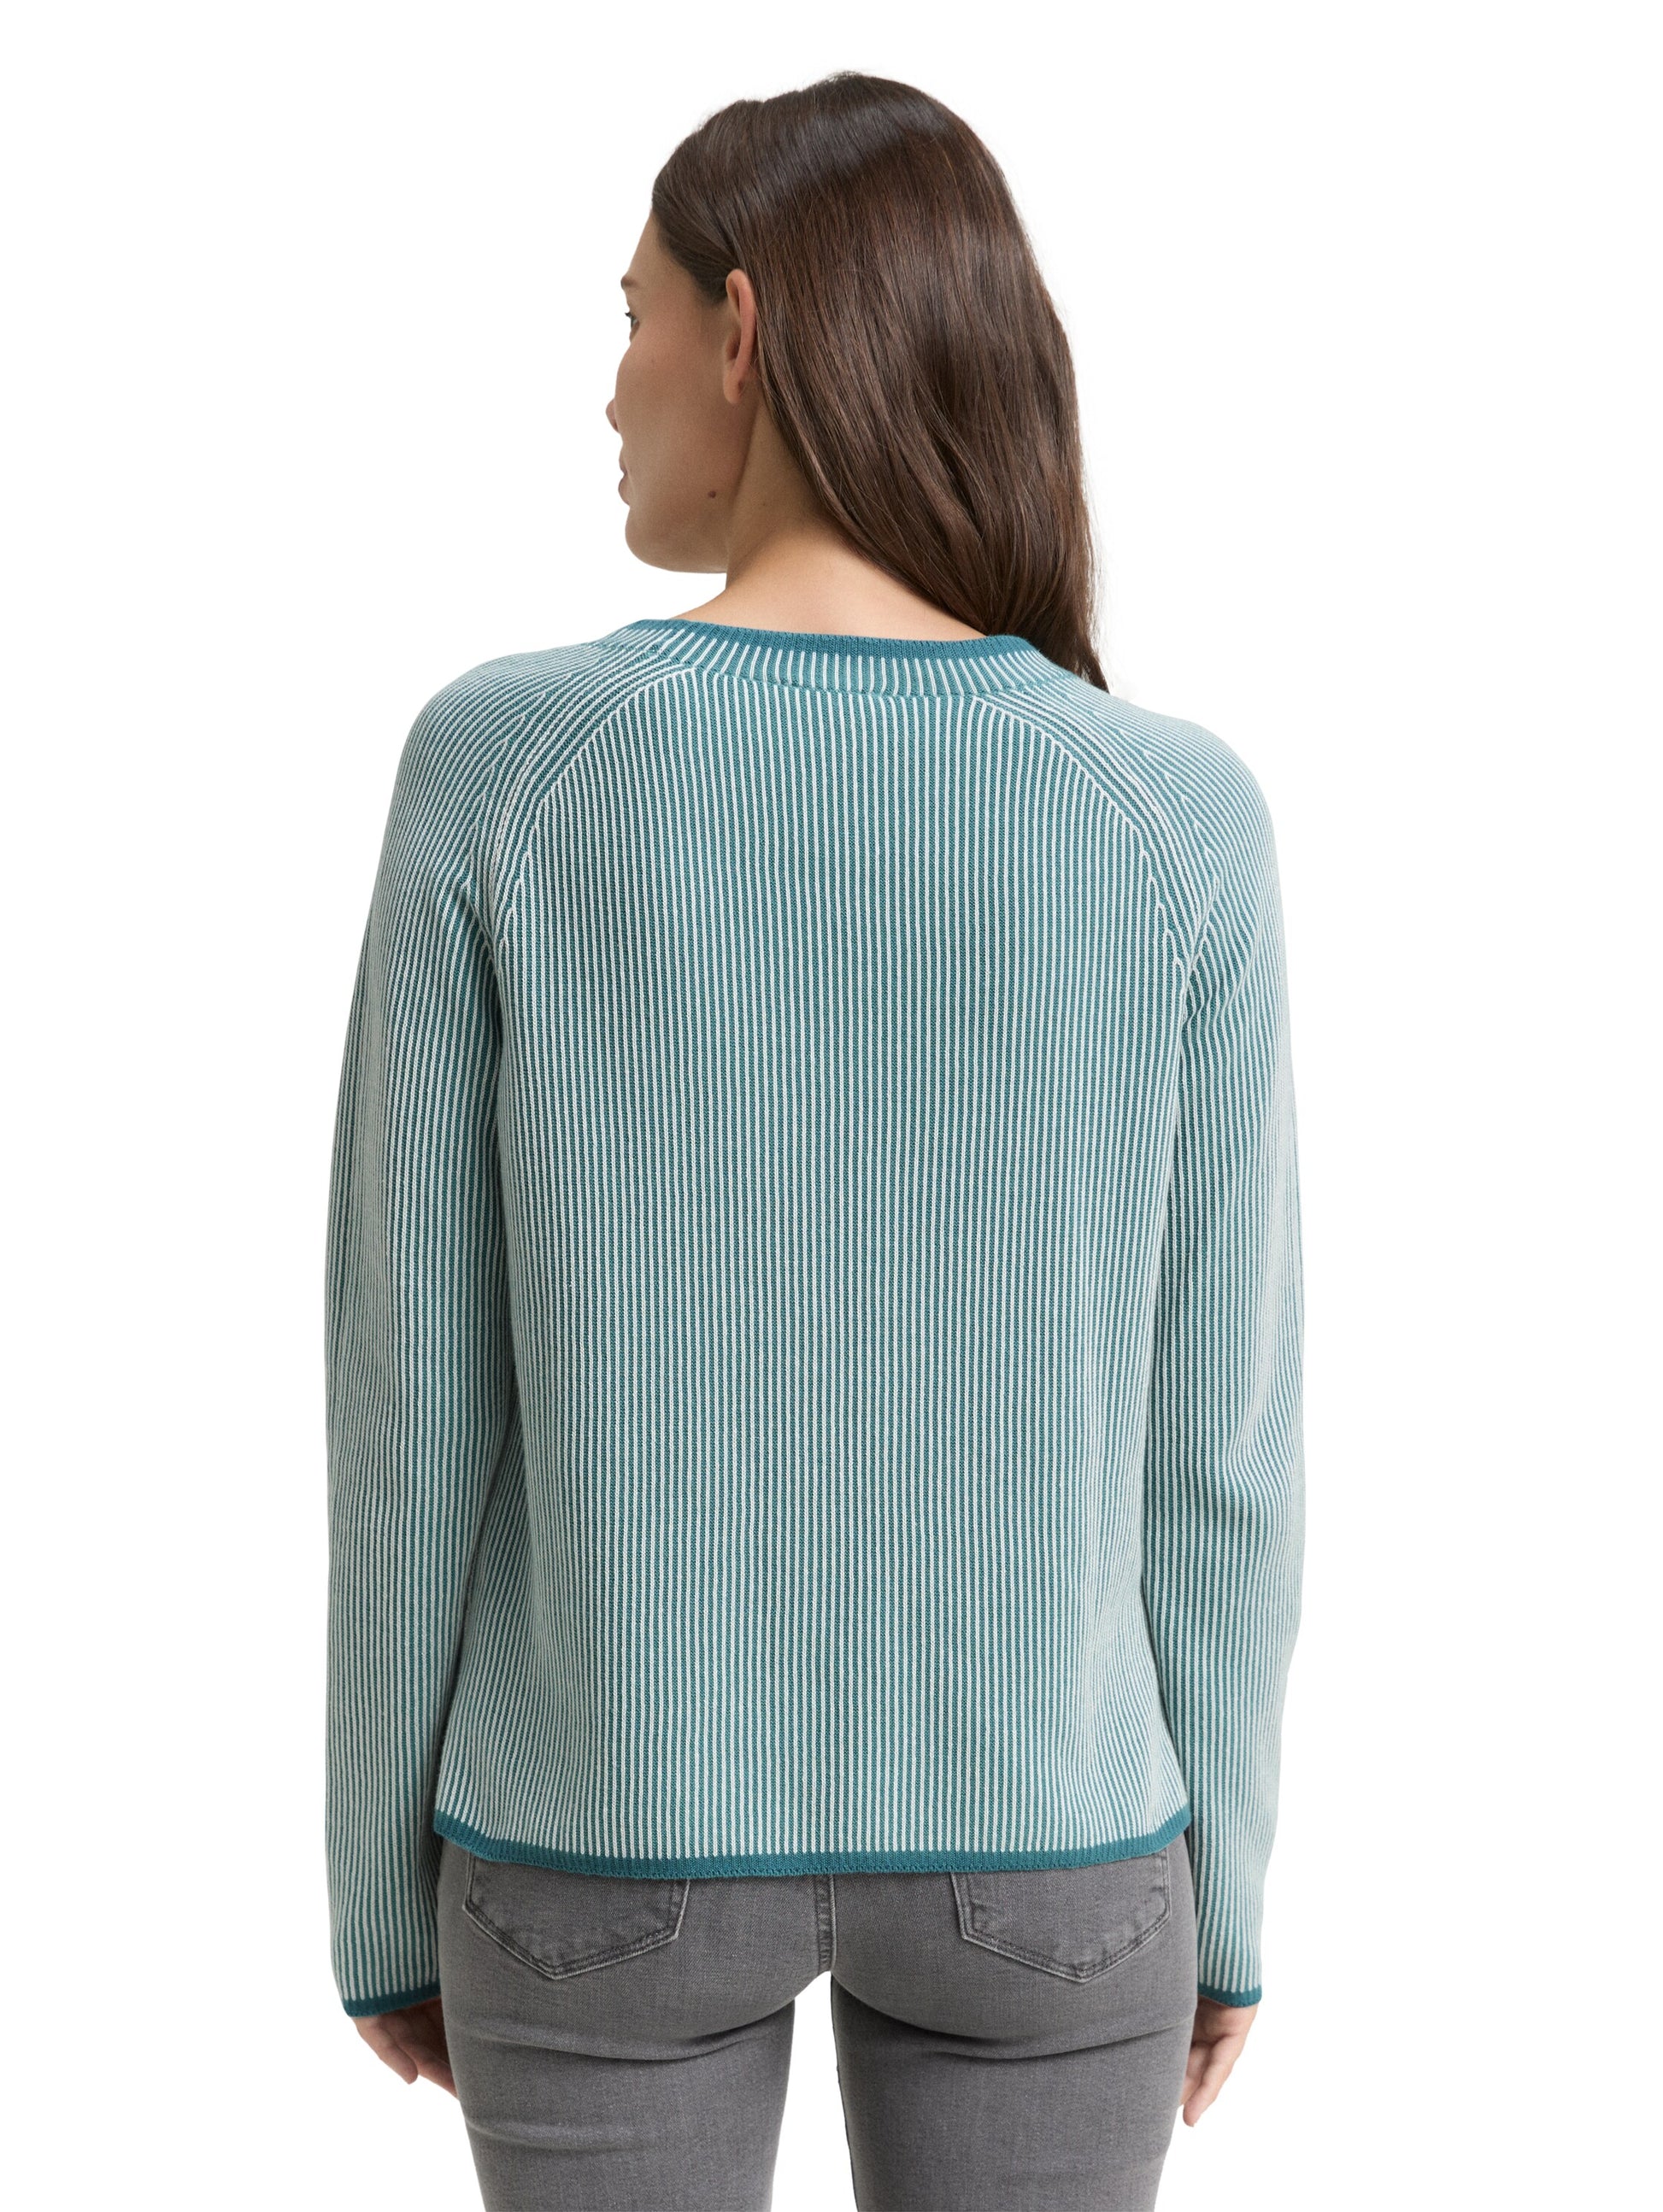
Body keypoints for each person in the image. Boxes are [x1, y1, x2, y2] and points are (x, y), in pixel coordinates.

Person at [324, 69, 1304, 2212]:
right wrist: (1221, 1888)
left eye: (631, 315)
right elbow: (1217, 1442)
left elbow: (411, 1398)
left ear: (743, 328)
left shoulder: (505, 766)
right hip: (1058, 1856)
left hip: (595, 1841)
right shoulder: (1174, 817)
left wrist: (375, 1887)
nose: (609, 386)